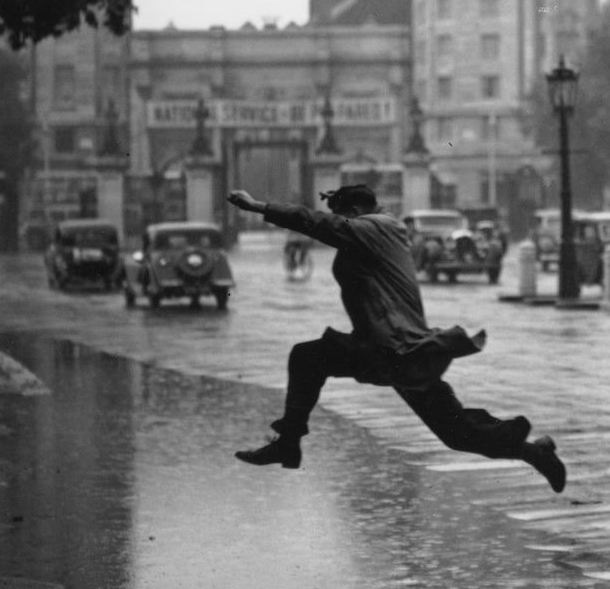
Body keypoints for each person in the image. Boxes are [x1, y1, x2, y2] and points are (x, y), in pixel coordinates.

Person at [226, 183, 567, 491]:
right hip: (389, 349)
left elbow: (319, 223)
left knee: (307, 357)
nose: (342, 226)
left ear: (356, 213)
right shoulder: (379, 231)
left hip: (397, 349)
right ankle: (536, 453)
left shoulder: (376, 228)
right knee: (457, 433)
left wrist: (259, 207)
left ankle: (288, 443)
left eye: (343, 216)